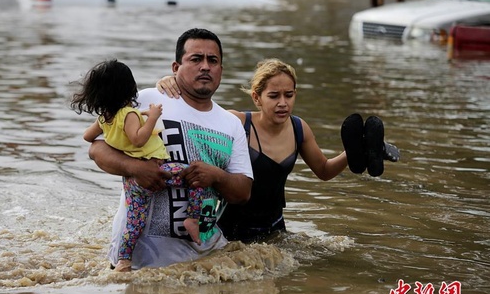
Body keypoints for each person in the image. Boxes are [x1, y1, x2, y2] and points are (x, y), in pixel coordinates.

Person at [157, 58, 399, 243]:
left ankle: (371, 147)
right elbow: (196, 116)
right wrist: (170, 84)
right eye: (274, 96)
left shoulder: (298, 128)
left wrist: (353, 151)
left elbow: (324, 170)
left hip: (274, 230)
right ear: (257, 97)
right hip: (229, 231)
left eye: (289, 95)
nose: (283, 103)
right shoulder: (236, 123)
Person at [87, 29, 254, 270]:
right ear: (176, 67)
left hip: (202, 261)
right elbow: (96, 149)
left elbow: (243, 192)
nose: (205, 66)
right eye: (196, 59)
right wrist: (136, 168)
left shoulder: (231, 124)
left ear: (221, 71)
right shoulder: (146, 100)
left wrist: (215, 175)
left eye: (213, 60)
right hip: (138, 261)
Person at [70, 59, 208, 272]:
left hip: (131, 180)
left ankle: (124, 261)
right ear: (129, 88)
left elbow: (88, 136)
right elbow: (138, 139)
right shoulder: (129, 114)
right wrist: (152, 118)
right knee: (197, 176)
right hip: (156, 169)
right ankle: (192, 219)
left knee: (134, 222)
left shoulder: (104, 118)